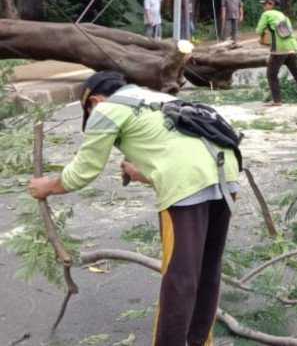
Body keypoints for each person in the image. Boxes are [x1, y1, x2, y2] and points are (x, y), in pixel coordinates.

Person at [27, 71, 239, 346]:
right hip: (227, 174)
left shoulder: (106, 109)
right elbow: (181, 148)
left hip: (188, 184)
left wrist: (48, 186)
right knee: (208, 268)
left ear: (93, 100)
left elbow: (84, 171)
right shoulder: (155, 98)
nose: (91, 116)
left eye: (88, 111)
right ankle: (199, 341)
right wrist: (143, 173)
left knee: (180, 277)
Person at [255, 0, 297, 106]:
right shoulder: (283, 16)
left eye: (265, 4)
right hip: (292, 48)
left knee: (271, 74)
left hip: (280, 50)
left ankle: (277, 101)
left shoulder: (266, 14)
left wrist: (263, 34)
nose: (263, 6)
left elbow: (258, 30)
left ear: (271, 4)